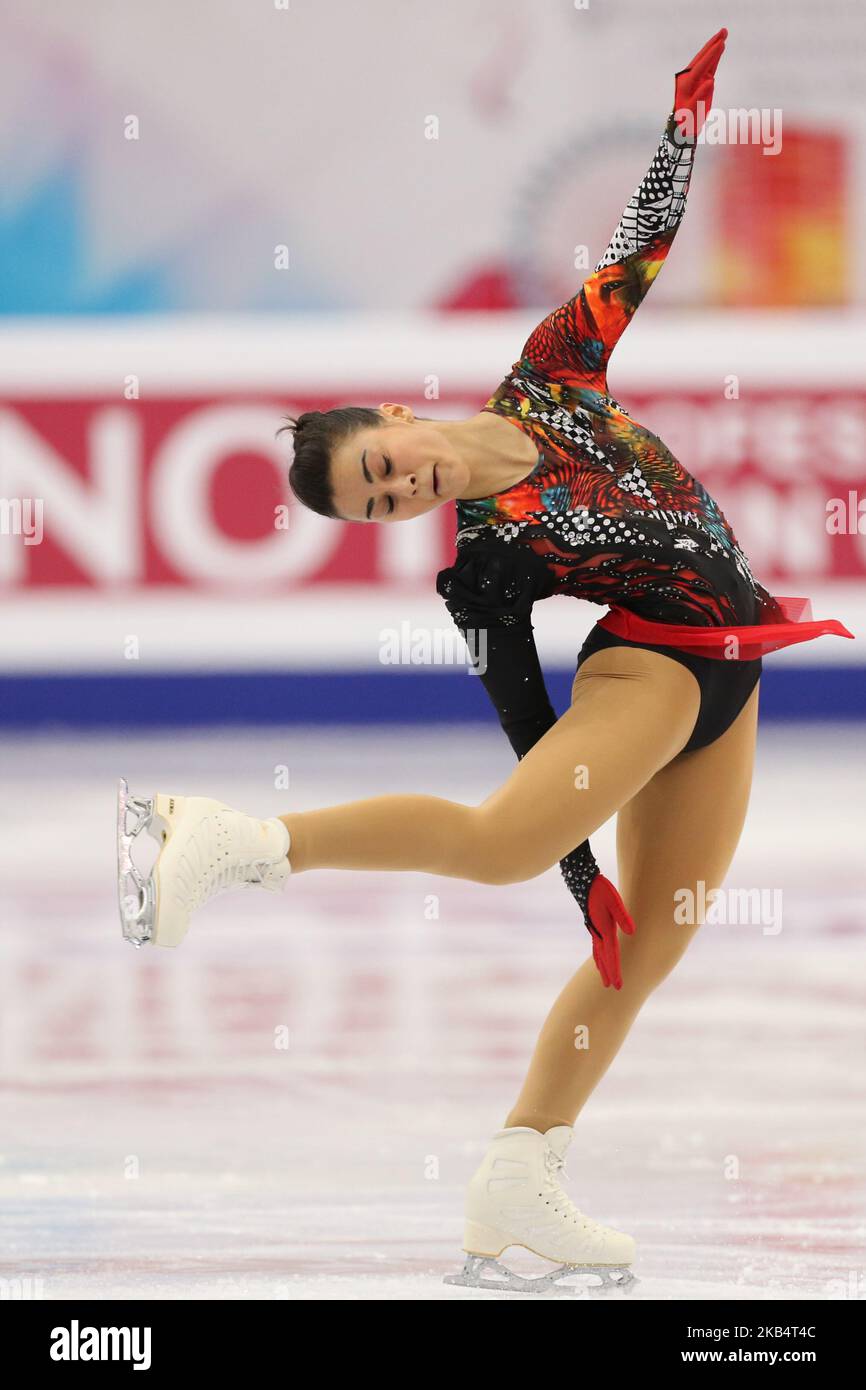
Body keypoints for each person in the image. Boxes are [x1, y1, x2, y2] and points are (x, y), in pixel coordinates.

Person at [117, 29, 852, 1293]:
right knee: (507, 841)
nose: (398, 491)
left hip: (737, 663)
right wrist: (573, 872)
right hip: (653, 669)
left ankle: (520, 1177)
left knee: (652, 944)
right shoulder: (485, 566)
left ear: (396, 419)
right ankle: (226, 839)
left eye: (379, 469)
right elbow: (523, 716)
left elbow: (639, 248)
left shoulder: (551, 376)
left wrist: (682, 127)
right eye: (375, 509)